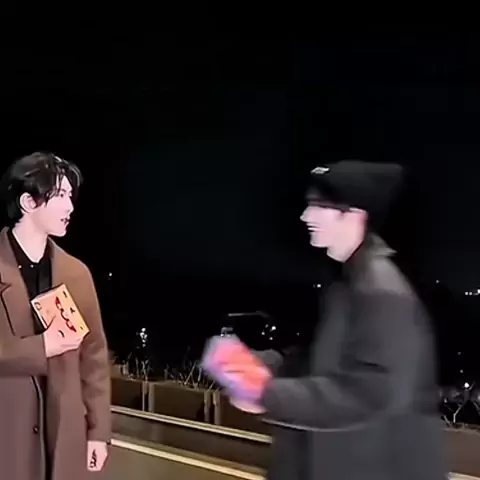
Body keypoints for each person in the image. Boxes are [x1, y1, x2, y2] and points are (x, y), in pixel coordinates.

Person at [202, 160, 446, 480]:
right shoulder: (348, 284)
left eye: (319, 206)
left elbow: (367, 394)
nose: (306, 216)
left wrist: (266, 394)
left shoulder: (382, 292)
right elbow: (319, 361)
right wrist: (260, 365)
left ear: (353, 215)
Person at [0, 152, 111, 480]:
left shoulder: (77, 274)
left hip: (63, 438)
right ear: (28, 202)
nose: (70, 207)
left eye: (70, 196)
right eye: (60, 195)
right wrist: (42, 347)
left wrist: (98, 432)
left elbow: (94, 358)